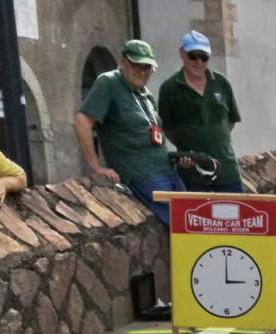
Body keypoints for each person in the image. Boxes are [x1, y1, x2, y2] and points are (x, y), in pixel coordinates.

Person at [74, 39, 184, 225]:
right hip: (142, 175)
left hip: (166, 171)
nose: (142, 72)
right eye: (136, 66)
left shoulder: (145, 93)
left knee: (193, 218)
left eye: (147, 68)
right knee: (181, 225)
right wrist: (96, 167)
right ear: (123, 62)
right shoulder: (109, 83)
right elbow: (82, 121)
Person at [158, 30, 244, 193]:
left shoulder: (221, 83)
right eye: (193, 55)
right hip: (191, 174)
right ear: (182, 53)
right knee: (198, 217)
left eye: (204, 57)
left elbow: (231, 121)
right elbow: (167, 128)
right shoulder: (169, 88)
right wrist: (186, 147)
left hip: (226, 170)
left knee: (234, 216)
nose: (199, 62)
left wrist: (215, 139)